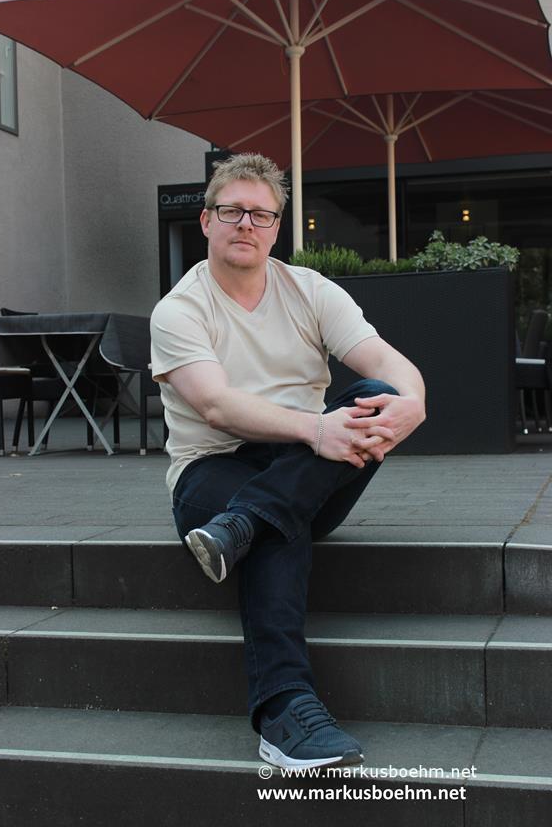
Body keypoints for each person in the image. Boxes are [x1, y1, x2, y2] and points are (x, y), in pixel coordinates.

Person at [150, 153, 425, 770]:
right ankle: (285, 711)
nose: (246, 224)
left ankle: (244, 525)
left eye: (261, 215)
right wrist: (316, 429)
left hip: (301, 465)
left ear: (277, 228)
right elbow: (215, 406)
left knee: (373, 395)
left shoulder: (311, 291)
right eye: (232, 212)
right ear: (206, 221)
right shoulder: (180, 309)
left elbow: (385, 361)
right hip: (211, 473)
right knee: (283, 523)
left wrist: (415, 400)